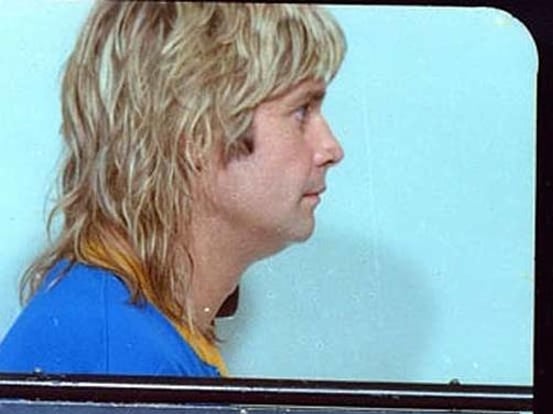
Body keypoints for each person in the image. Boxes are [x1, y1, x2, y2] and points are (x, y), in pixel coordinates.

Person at [0, 2, 345, 376]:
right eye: (301, 111)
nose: (331, 149)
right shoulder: (112, 355)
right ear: (196, 135)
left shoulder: (129, 331)